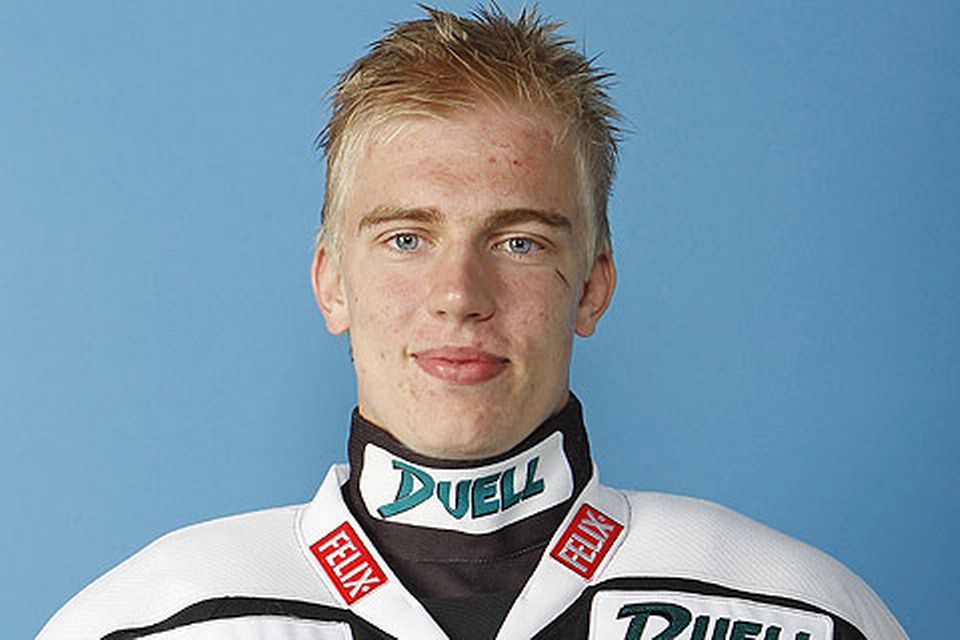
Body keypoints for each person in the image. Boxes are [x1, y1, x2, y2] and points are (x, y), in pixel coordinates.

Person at [38, 6, 908, 639]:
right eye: (406, 238)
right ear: (332, 284)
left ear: (593, 286)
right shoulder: (149, 620)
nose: (459, 294)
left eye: (520, 241)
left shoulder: (802, 613)